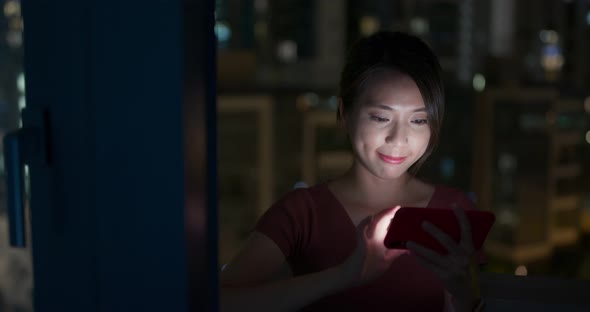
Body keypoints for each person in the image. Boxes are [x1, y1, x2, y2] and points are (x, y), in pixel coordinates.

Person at [220, 31, 485, 312]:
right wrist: (343, 276)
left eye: (419, 120)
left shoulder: (453, 212)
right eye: (381, 117)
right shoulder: (301, 214)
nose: (398, 139)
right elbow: (218, 302)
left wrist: (465, 298)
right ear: (344, 112)